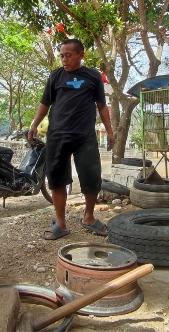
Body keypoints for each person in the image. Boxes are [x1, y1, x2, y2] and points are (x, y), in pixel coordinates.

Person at [29, 39, 114, 240]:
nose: (64, 59)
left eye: (68, 55)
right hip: (57, 135)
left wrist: (109, 131)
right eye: (61, 55)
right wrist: (34, 124)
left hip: (85, 136)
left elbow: (102, 105)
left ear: (80, 55)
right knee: (57, 178)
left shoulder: (93, 76)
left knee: (92, 177)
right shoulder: (55, 76)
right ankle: (60, 223)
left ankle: (89, 217)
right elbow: (45, 103)